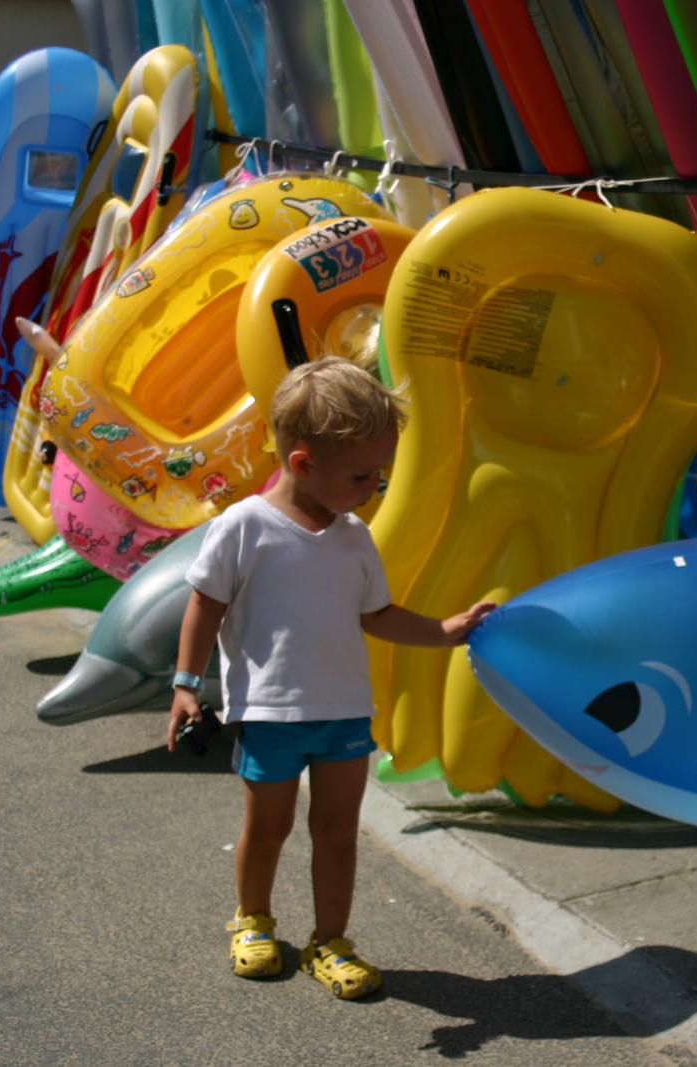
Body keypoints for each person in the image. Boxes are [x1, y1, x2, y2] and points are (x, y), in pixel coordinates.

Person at [166, 357, 495, 999]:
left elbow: (377, 615)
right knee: (268, 830)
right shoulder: (244, 527)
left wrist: (444, 630)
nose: (375, 485)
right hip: (269, 714)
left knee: (337, 833)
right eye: (363, 474)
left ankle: (331, 941)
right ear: (302, 464)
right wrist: (185, 684)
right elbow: (205, 602)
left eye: (380, 472)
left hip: (344, 711)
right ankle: (253, 920)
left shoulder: (353, 537)